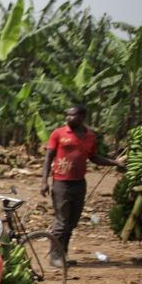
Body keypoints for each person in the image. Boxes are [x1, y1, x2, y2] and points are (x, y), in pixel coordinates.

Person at [40, 104, 124, 267]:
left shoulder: (90, 136)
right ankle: (54, 256)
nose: (69, 118)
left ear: (82, 117)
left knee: (71, 222)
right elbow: (48, 158)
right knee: (62, 221)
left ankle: (62, 254)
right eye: (67, 115)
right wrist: (44, 181)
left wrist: (114, 163)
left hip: (79, 183)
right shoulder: (58, 133)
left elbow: (94, 157)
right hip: (61, 183)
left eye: (73, 115)